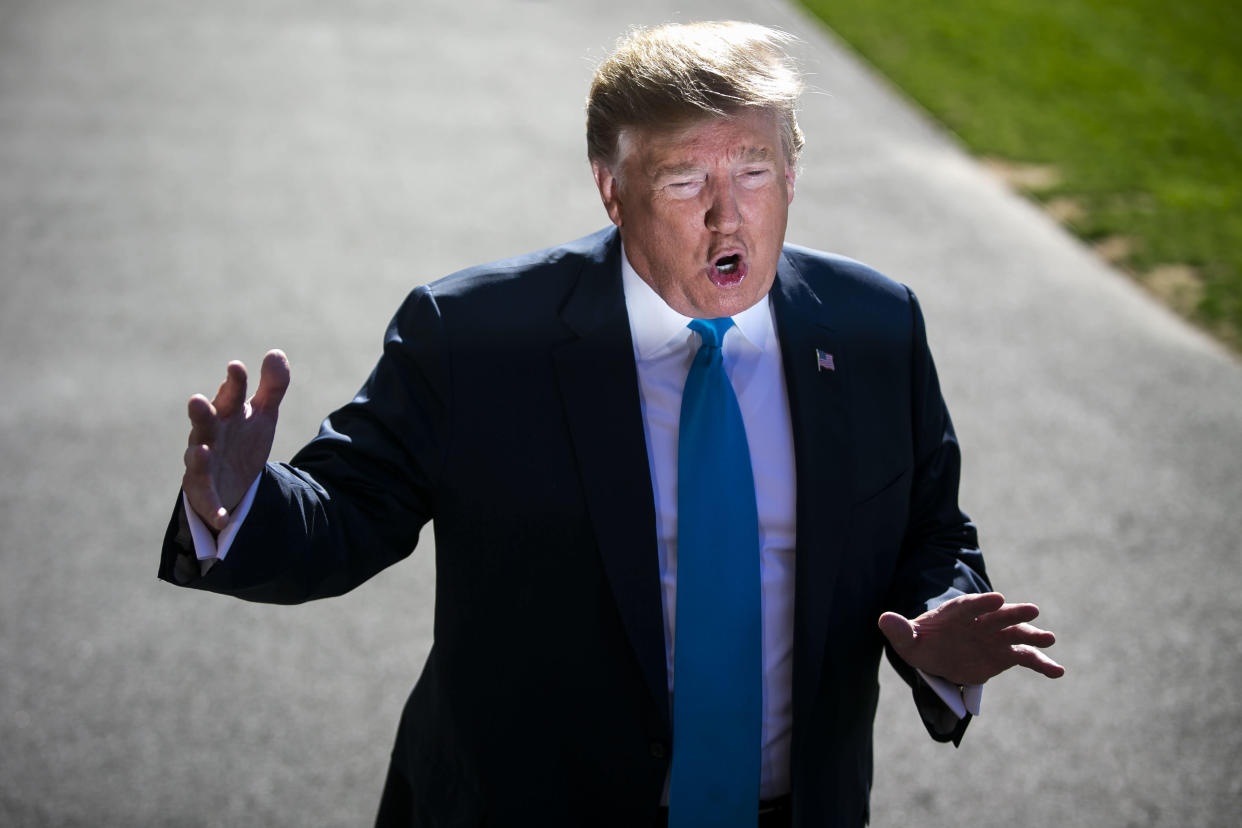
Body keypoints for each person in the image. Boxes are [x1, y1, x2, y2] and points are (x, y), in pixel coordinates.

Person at [161, 21, 1063, 828]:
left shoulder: (874, 327)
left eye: (753, 168)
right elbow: (346, 515)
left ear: (792, 170)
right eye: (683, 178)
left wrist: (943, 623)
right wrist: (238, 501)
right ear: (610, 186)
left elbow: (931, 531)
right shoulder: (475, 338)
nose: (727, 210)